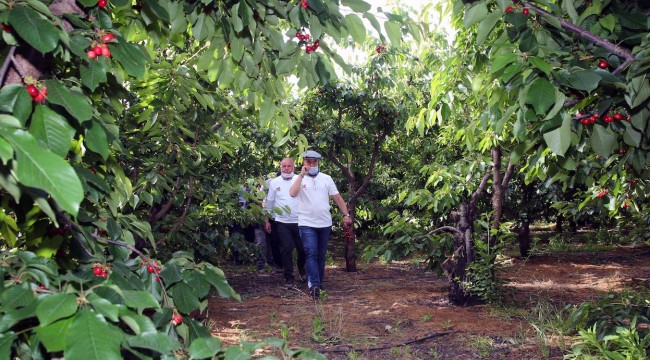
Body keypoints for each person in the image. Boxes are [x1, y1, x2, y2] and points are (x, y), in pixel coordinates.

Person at [289, 150, 352, 299]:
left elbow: (337, 198)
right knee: (311, 252)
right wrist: (301, 175)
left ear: (318, 163)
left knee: (321, 255)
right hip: (306, 223)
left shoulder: (326, 178)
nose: (312, 164)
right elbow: (292, 193)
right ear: (303, 163)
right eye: (308, 162)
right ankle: (314, 285)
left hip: (324, 223)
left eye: (314, 162)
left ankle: (319, 283)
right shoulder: (298, 179)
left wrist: (346, 215)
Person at [265, 158, 306, 286]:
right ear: (281, 167)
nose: (286, 168)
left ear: (293, 167)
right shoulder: (274, 182)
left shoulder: (300, 179)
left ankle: (301, 268)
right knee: (286, 249)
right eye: (284, 166)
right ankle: (288, 277)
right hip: (282, 222)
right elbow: (269, 202)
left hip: (300, 221)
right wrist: (266, 220)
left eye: (289, 166)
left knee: (303, 249)